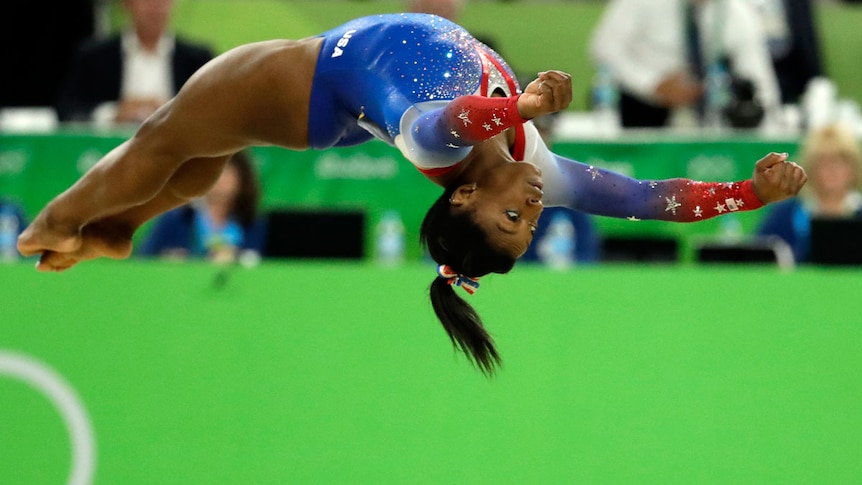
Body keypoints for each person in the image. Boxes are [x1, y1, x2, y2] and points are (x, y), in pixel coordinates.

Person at [18, 14, 806, 374]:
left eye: (513, 215)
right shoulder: (532, 164)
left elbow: (451, 111)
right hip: (334, 95)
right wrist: (746, 190)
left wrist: (518, 107)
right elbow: (644, 198)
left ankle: (51, 225)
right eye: (531, 220)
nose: (533, 203)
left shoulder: (440, 147)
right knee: (200, 155)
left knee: (165, 133)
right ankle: (123, 224)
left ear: (462, 200)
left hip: (315, 82)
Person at [589, 0, 781, 128]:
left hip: (705, 111)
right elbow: (604, 47)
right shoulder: (643, 3)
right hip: (642, 111)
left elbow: (760, 79)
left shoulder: (736, 13)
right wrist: (652, 85)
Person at [56, 0, 214, 124]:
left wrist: (172, 110)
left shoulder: (196, 59)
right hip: (110, 152)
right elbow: (67, 110)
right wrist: (113, 113)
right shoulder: (95, 56)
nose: (156, 7)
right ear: (126, 4)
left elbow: (215, 110)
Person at [757, 122, 861, 262]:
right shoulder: (786, 214)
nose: (832, 170)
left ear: (854, 168)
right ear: (810, 168)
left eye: (840, 162)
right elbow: (758, 260)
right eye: (824, 163)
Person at [137, 150, 266, 262]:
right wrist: (166, 260)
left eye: (227, 171)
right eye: (213, 172)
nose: (219, 180)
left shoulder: (253, 222)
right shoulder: (176, 218)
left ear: (242, 177)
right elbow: (142, 260)